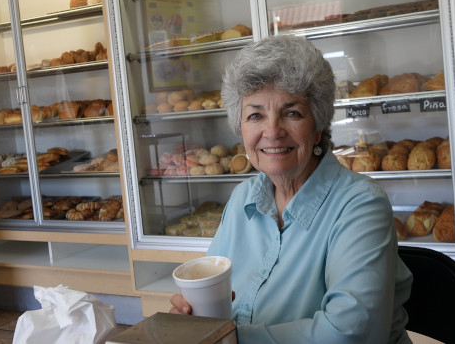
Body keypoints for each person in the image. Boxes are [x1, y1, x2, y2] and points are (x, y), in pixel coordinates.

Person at [170, 34, 413, 344]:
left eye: (292, 113)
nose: (272, 131)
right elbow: (212, 293)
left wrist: (227, 338)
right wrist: (193, 316)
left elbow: (352, 333)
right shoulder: (243, 198)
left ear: (318, 126)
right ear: (240, 128)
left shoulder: (361, 206)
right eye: (255, 115)